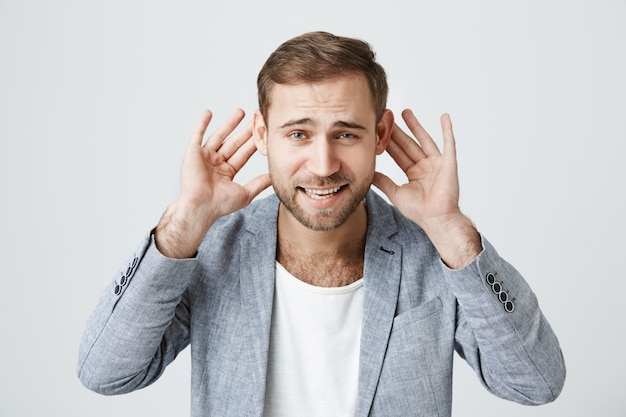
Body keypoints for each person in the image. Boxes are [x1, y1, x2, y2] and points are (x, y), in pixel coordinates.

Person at [77, 31, 566, 416]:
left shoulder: (434, 254)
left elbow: (537, 384)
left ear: (380, 135)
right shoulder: (212, 250)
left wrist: (452, 228)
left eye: (345, 133)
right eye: (298, 134)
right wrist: (182, 224)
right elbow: (106, 373)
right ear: (262, 136)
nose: (324, 163)